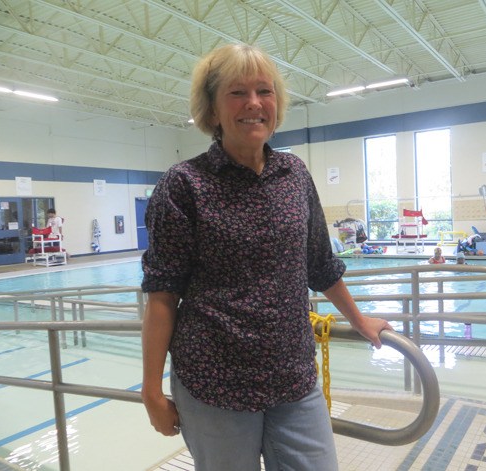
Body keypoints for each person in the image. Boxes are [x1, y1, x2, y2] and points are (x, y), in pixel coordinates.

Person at [140, 43, 391, 471]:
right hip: (213, 382)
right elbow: (163, 294)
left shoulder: (293, 176)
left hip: (292, 375)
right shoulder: (184, 185)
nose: (254, 103)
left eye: (265, 91)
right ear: (213, 110)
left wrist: (359, 318)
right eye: (237, 93)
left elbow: (321, 264)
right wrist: (150, 390)